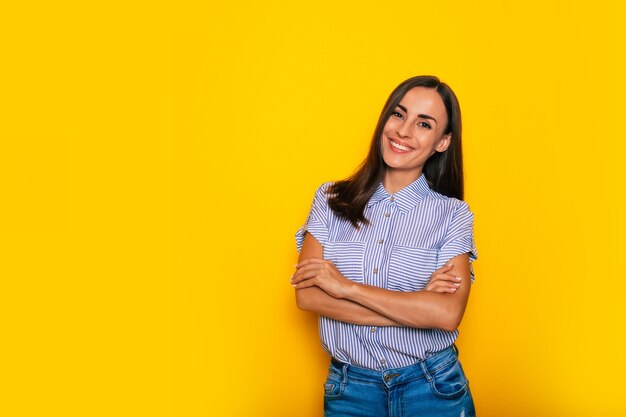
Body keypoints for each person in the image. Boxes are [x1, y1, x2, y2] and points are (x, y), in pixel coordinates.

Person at [290, 75, 478, 417]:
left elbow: (447, 314)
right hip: (350, 392)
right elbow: (307, 296)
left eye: (424, 124)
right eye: (398, 114)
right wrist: (416, 309)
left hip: (433, 388)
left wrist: (345, 288)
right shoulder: (330, 200)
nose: (404, 131)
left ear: (442, 142)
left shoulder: (453, 215)